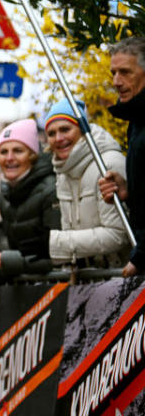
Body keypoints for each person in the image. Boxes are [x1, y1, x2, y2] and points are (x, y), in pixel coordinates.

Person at [44, 98, 130, 267]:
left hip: (123, 280)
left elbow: (118, 234)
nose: (58, 138)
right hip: (90, 281)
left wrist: (55, 242)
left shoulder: (108, 164)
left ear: (83, 130)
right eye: (51, 133)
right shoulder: (63, 172)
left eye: (65, 129)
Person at [0, 119, 60, 276]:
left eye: (18, 150)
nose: (9, 158)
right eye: (3, 152)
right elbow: (18, 250)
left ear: (32, 155)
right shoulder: (5, 196)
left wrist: (2, 260)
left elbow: (58, 257)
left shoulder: (51, 191)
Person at [99, 37, 145, 277]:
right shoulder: (136, 120)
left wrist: (142, 257)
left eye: (125, 72)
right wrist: (129, 191)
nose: (116, 82)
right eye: (114, 72)